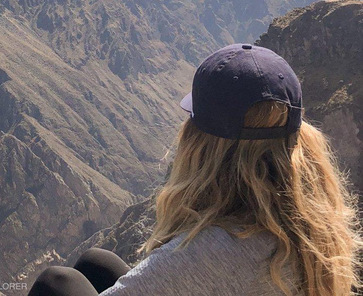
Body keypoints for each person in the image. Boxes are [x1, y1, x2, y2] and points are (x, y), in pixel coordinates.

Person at [29, 43, 362, 296]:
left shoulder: (209, 253)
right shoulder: (309, 230)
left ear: (204, 146)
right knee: (95, 263)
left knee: (56, 282)